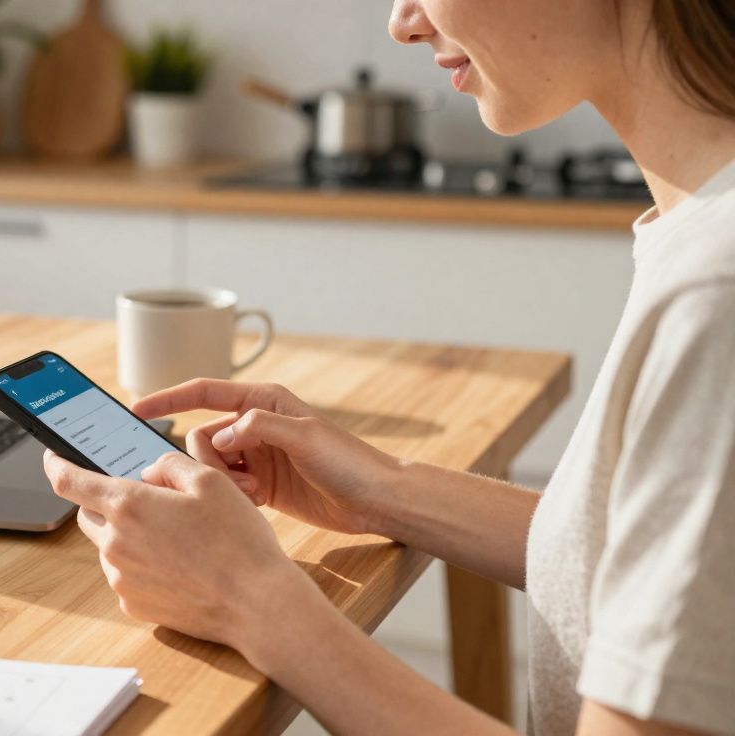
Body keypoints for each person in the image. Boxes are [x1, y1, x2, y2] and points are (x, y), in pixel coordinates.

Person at [41, 1, 735, 734]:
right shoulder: (702, 233)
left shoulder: (716, 298)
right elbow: (648, 562)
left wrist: (251, 598)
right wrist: (381, 490)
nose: (403, 21)